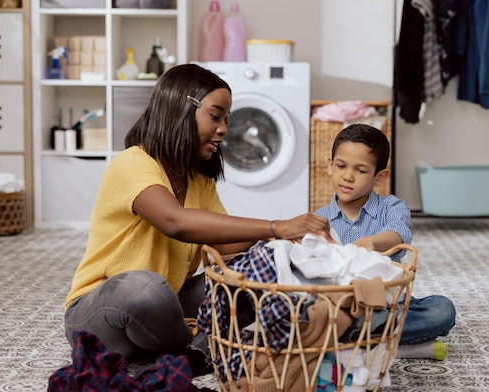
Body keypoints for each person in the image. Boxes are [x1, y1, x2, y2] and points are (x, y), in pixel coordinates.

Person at [63, 63, 332, 375]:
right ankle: (204, 346)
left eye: (226, 120)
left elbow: (224, 243)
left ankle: (192, 353)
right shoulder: (133, 162)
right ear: (180, 108)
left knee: (245, 281)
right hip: (103, 313)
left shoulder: (198, 180)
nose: (224, 130)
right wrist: (277, 225)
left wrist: (277, 243)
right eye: (215, 116)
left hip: (168, 306)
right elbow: (174, 221)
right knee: (144, 288)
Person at [314, 123, 456, 360]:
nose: (347, 176)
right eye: (341, 166)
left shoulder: (392, 207)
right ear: (330, 166)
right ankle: (383, 344)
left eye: (360, 171)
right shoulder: (319, 218)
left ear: (380, 177)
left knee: (442, 310)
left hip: (386, 308)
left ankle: (350, 342)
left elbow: (398, 233)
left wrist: (370, 243)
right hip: (341, 308)